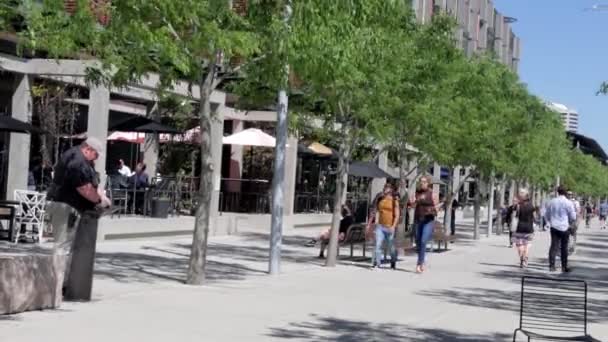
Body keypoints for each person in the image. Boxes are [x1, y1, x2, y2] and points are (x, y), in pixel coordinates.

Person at [47, 138, 111, 294]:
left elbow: (90, 184)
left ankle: (61, 283)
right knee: (63, 246)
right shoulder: (78, 161)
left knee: (65, 246)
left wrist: (99, 193)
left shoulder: (77, 157)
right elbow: (84, 189)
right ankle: (56, 285)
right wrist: (101, 200)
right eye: (95, 155)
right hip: (66, 206)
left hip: (68, 206)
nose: (96, 158)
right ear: (88, 149)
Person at [409, 175, 439, 274]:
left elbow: (437, 208)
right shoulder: (416, 193)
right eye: (421, 181)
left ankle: (419, 264)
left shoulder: (432, 194)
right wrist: (416, 200)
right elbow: (412, 206)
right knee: (417, 242)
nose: (422, 183)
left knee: (423, 241)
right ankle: (422, 258)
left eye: (424, 181)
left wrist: (433, 210)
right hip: (418, 220)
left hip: (428, 221)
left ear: (428, 183)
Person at [367, 182, 400, 270]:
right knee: (377, 244)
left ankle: (393, 261)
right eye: (385, 187)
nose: (385, 189)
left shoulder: (394, 201)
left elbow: (397, 215)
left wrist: (393, 226)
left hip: (390, 227)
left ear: (391, 190)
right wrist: (372, 223)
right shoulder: (380, 199)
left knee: (391, 247)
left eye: (387, 188)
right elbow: (376, 211)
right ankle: (377, 263)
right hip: (380, 226)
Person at [544, 186, 576, 273]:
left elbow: (546, 215)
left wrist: (548, 222)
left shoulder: (552, 202)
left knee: (553, 246)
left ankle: (552, 265)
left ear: (558, 192)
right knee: (564, 247)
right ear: (565, 193)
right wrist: (570, 223)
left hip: (554, 226)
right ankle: (564, 266)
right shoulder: (568, 203)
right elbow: (573, 216)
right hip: (564, 227)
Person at [511, 189, 536, 268]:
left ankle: (521, 257)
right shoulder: (531, 205)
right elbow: (535, 217)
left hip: (519, 227)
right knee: (527, 244)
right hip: (529, 227)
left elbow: (514, 216)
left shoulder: (517, 205)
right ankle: (525, 258)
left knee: (519, 244)